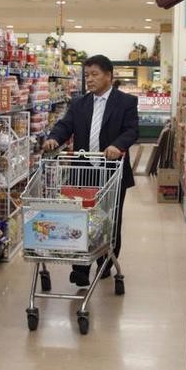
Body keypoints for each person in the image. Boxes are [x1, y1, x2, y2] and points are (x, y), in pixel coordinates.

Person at [43, 54, 139, 286]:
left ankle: (105, 260)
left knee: (110, 220)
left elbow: (132, 130)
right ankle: (81, 269)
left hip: (112, 173)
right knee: (81, 218)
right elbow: (65, 125)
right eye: (87, 75)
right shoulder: (79, 103)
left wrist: (118, 145)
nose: (90, 79)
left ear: (109, 76)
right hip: (84, 172)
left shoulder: (126, 102)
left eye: (95, 74)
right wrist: (54, 139)